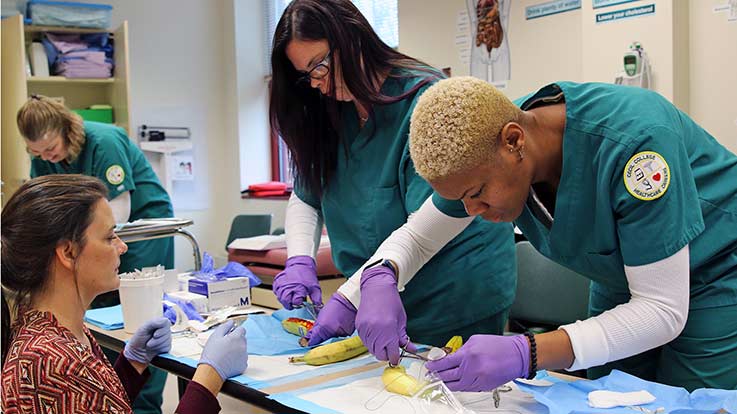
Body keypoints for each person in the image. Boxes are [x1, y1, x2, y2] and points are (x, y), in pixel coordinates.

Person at [408, 76, 737, 391]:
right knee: (608, 397)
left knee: (691, 402)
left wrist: (528, 352)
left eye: (477, 193)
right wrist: (376, 280)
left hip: (714, 271)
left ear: (514, 142)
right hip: (622, 277)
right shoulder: (486, 148)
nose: (471, 211)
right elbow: (419, 237)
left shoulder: (636, 145)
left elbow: (661, 309)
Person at [269, 0, 516, 365]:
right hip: (375, 293)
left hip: (452, 292)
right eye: (307, 75)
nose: (317, 82)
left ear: (351, 37)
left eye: (320, 65)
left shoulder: (426, 101)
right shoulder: (330, 111)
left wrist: (348, 297)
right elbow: (308, 195)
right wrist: (300, 260)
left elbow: (425, 227)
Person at [1, 175, 248, 413]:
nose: (123, 246)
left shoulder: (56, 329)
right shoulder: (52, 362)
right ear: (68, 252)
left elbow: (92, 403)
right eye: (109, 237)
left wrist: (132, 364)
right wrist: (209, 376)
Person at [16, 95, 175, 412]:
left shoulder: (104, 141)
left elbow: (116, 214)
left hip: (141, 230)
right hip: (86, 236)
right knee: (105, 323)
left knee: (137, 316)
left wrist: (133, 364)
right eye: (38, 153)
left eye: (50, 149)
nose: (47, 157)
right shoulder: (49, 358)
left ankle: (141, 400)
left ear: (65, 129)